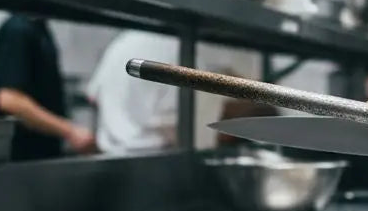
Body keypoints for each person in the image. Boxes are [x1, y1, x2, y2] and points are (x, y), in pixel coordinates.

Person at [87, 30, 274, 153]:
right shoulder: (189, 57)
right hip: (160, 167)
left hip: (109, 162)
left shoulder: (125, 40)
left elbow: (93, 96)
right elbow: (198, 143)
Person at [0, 14, 95, 161]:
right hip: (21, 160)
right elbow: (10, 99)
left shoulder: (39, 30)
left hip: (39, 157)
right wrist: (70, 131)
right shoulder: (17, 29)